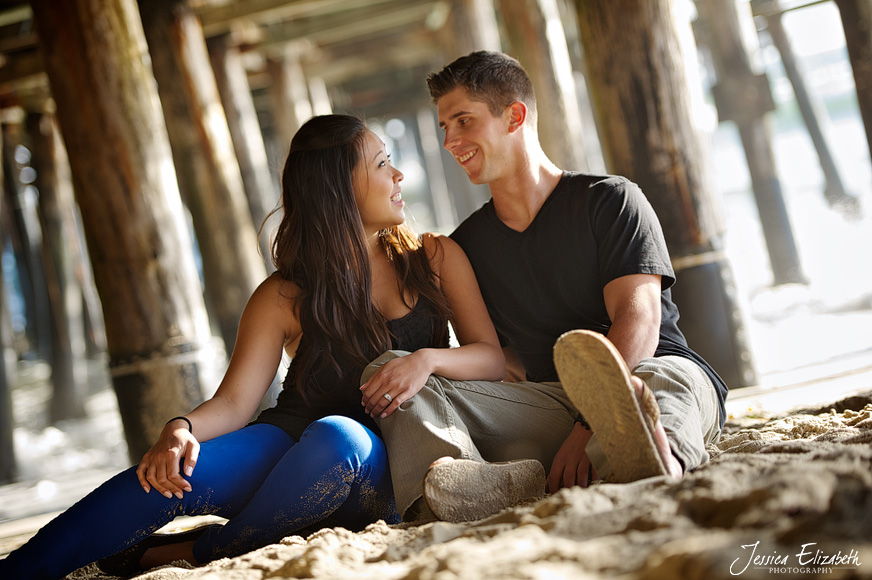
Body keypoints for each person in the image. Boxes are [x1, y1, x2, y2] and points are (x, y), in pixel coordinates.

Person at [0, 114, 504, 579]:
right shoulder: (284, 293)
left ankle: (200, 551)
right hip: (285, 441)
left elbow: (491, 358)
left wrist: (427, 360)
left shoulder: (434, 257)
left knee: (338, 438)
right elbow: (236, 403)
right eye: (382, 164)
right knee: (167, 475)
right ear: (338, 189)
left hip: (384, 460)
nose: (398, 177)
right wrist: (180, 429)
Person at [370, 51, 728, 523]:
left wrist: (589, 423)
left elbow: (639, 320)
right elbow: (502, 360)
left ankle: (657, 465)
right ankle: (465, 478)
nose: (450, 141)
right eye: (444, 127)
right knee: (401, 374)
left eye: (463, 121)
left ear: (514, 116)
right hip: (552, 403)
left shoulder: (611, 201)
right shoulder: (466, 247)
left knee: (663, 386)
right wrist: (426, 364)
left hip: (650, 372)